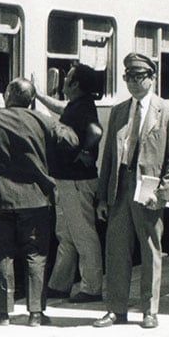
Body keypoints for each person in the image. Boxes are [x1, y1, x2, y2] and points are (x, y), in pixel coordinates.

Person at [0, 78, 79, 327]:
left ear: (9, 94)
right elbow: (72, 141)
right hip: (36, 199)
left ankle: (2, 313)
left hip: (1, 198)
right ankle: (35, 314)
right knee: (36, 255)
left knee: (3, 254)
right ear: (31, 99)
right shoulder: (42, 120)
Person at [93, 52, 169, 330]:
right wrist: (102, 196)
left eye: (138, 76)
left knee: (150, 249)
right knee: (117, 251)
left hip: (149, 190)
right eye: (128, 77)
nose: (132, 82)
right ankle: (116, 309)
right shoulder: (119, 111)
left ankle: (149, 309)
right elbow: (108, 156)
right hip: (121, 186)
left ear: (152, 78)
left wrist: (163, 193)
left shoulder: (167, 112)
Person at [36, 63, 105, 303]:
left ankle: (92, 288)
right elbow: (62, 108)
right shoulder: (78, 105)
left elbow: (96, 131)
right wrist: (39, 96)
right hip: (67, 180)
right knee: (66, 234)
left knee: (83, 234)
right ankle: (60, 284)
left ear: (75, 85)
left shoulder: (83, 108)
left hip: (77, 182)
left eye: (68, 79)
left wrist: (85, 151)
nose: (63, 81)